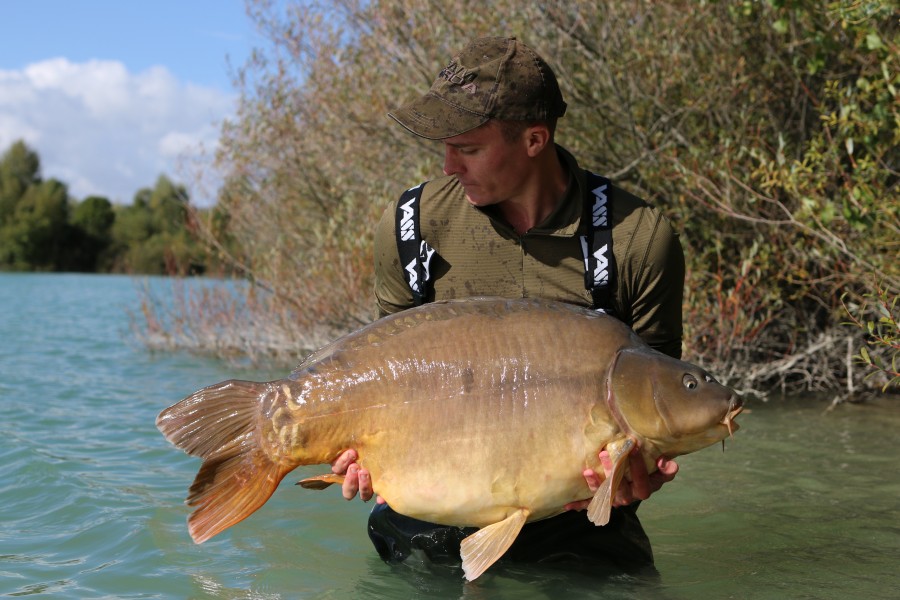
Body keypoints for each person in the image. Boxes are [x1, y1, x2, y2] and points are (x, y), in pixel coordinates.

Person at [332, 36, 684, 572]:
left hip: (580, 524)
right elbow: (387, 382)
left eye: (468, 149)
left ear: (534, 140)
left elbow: (657, 409)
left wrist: (641, 474)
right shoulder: (412, 227)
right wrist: (357, 456)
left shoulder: (635, 239)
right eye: (445, 146)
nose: (448, 166)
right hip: (430, 519)